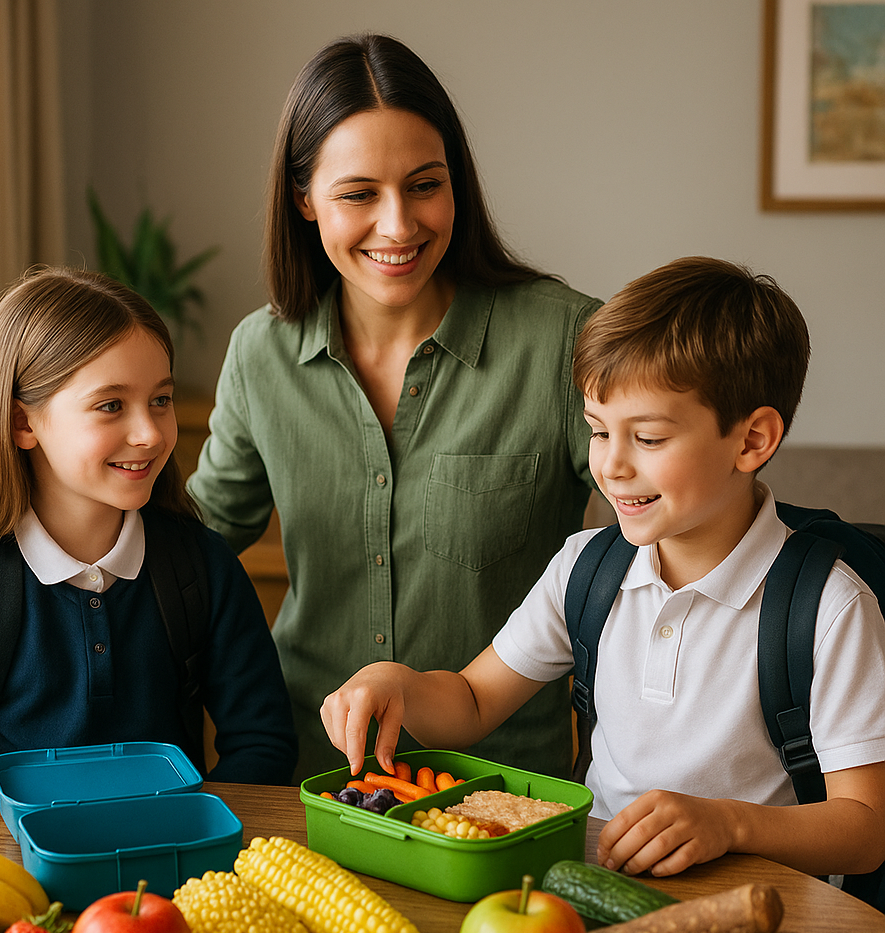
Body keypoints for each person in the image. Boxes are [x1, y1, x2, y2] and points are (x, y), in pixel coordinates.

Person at [321, 256, 885, 880]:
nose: (610, 466)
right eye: (597, 431)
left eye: (647, 439)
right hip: (596, 889)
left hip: (762, 913)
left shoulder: (829, 607)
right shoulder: (585, 569)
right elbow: (474, 700)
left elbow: (864, 828)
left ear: (752, 440)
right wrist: (396, 682)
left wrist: (729, 823)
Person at [187, 33, 603, 783]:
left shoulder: (564, 339)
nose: (398, 225)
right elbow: (190, 547)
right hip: (307, 784)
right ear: (303, 198)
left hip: (503, 790)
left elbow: (663, 524)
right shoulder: (261, 354)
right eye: (358, 194)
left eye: (423, 184)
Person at [0, 267, 297, 820]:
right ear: (24, 423)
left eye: (160, 400)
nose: (150, 433)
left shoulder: (204, 566)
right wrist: (47, 844)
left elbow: (263, 746)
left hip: (167, 867)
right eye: (111, 405)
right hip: (14, 881)